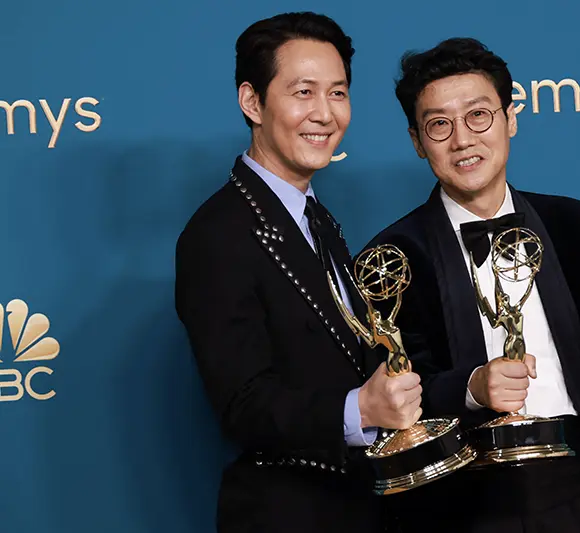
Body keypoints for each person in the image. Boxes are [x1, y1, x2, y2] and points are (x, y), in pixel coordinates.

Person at [364, 37, 580, 533]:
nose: (463, 139)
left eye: (479, 115)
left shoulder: (579, 227)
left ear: (510, 118)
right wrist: (473, 388)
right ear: (417, 141)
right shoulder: (391, 257)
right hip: (465, 505)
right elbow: (396, 405)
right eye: (439, 125)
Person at [174, 12, 422, 533]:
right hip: (288, 514)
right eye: (303, 92)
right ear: (252, 102)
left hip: (357, 507)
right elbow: (242, 404)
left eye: (337, 93)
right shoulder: (217, 234)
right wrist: (361, 408)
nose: (325, 114)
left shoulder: (317, 219)